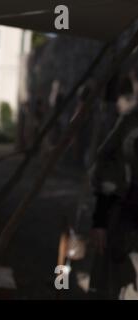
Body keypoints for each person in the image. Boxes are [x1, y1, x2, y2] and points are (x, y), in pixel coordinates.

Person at [89, 75, 138, 299]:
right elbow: (107, 164)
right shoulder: (130, 122)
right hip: (123, 219)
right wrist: (100, 219)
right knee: (111, 284)